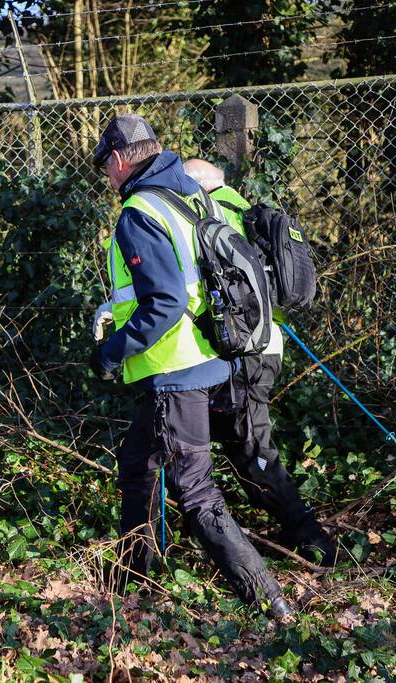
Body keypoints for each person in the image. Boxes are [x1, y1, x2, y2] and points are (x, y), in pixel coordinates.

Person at [88, 114, 292, 619]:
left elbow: (165, 301)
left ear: (118, 160)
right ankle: (132, 577)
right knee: (137, 461)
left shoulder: (140, 211)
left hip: (176, 369)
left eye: (105, 169)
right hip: (210, 360)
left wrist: (113, 352)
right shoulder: (186, 196)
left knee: (195, 490)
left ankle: (268, 599)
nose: (108, 180)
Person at [181, 159, 337, 566]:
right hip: (265, 349)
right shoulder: (248, 215)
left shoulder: (210, 220)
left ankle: (312, 539)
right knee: (221, 440)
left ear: (199, 186)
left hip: (245, 355)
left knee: (252, 448)